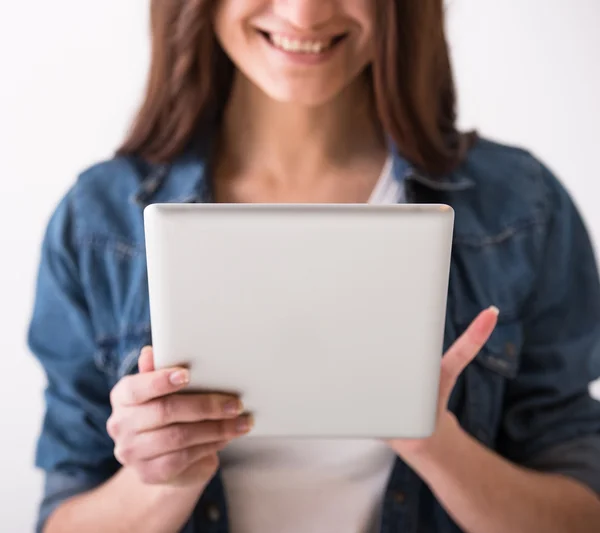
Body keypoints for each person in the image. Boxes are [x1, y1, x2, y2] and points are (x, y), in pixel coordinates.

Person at [27, 1, 600, 532]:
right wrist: (161, 484)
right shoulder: (98, 221)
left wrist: (439, 447)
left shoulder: (521, 207)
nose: (305, 14)